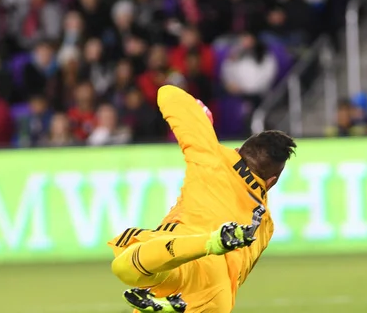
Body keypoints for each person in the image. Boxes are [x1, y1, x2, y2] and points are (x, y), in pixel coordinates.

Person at [109, 85, 297, 313]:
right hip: (215, 293)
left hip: (176, 254)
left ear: (238, 150)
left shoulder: (211, 153)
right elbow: (238, 274)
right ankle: (176, 304)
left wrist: (200, 115)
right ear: (271, 182)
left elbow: (167, 93)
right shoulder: (265, 224)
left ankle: (210, 244)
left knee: (124, 266)